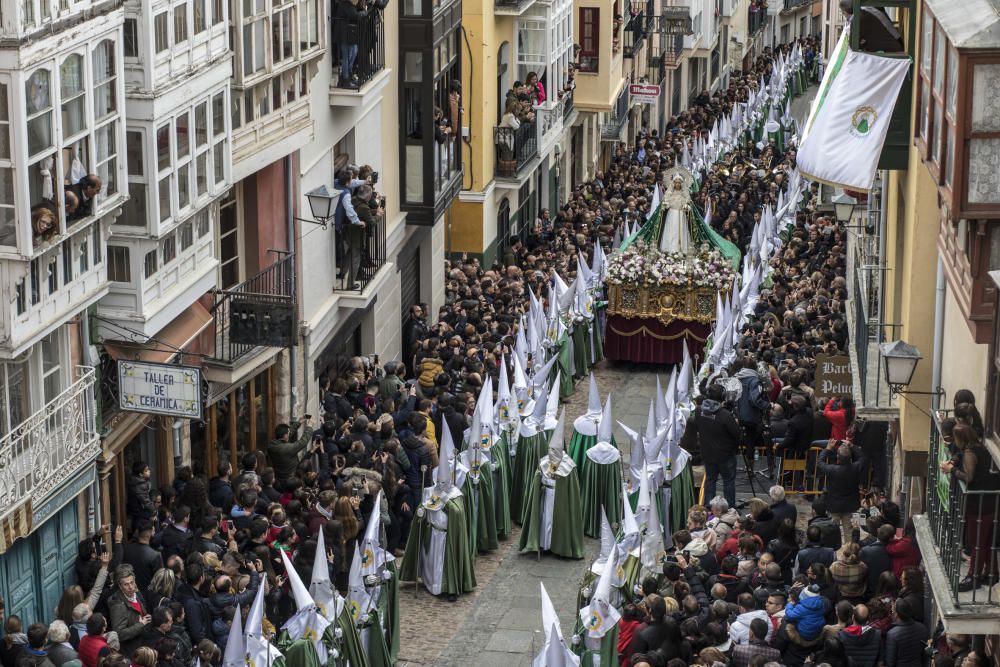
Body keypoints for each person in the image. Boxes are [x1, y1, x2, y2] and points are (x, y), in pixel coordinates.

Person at [940, 422, 1000, 590]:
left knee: (977, 541)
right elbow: (959, 454)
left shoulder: (970, 453)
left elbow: (968, 477)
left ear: (960, 439)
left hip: (978, 504)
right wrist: (954, 460)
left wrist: (950, 470)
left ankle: (973, 577)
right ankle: (991, 572)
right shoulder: (981, 446)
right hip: (992, 500)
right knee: (987, 540)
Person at [519, 410, 585, 559]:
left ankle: (560, 546)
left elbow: (572, 490)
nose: (551, 452)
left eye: (554, 450)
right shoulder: (544, 462)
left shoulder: (569, 466)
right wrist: (539, 478)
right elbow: (538, 478)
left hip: (560, 500)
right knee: (545, 520)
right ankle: (544, 544)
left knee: (556, 522)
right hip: (546, 496)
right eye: (550, 449)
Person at [684, 384, 741, 507]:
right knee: (728, 481)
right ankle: (730, 507)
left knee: (710, 481)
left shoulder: (699, 411)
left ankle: (708, 507)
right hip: (725, 456)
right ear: (722, 397)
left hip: (707, 454)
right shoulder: (725, 415)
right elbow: (738, 435)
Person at [817, 441, 866, 546]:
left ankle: (831, 550)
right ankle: (849, 552)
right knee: (849, 531)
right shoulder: (855, 468)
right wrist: (852, 446)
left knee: (831, 531)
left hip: (834, 505)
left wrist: (827, 449)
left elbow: (820, 462)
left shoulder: (831, 469)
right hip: (850, 505)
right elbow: (862, 457)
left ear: (838, 458)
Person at [266, 417, 316, 485]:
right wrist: (309, 426)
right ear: (285, 436)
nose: (289, 434)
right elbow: (303, 442)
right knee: (306, 463)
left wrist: (299, 422)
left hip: (279, 476)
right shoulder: (288, 448)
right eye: (288, 433)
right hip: (291, 478)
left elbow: (287, 433)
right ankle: (309, 483)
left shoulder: (271, 445)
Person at [884, 597, 928, 667]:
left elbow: (890, 662)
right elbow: (924, 654)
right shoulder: (922, 628)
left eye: (893, 610)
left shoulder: (892, 634)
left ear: (897, 614)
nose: (892, 612)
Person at [332, 0, 367, 87]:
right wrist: (364, 12)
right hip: (344, 35)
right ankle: (346, 79)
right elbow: (354, 15)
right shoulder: (345, 4)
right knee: (346, 57)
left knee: (353, 52)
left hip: (349, 34)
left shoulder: (349, 4)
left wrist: (362, 9)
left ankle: (347, 76)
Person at [859, 523, 894, 596]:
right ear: (892, 538)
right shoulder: (895, 552)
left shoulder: (865, 551)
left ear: (878, 531)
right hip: (886, 592)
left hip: (868, 590)